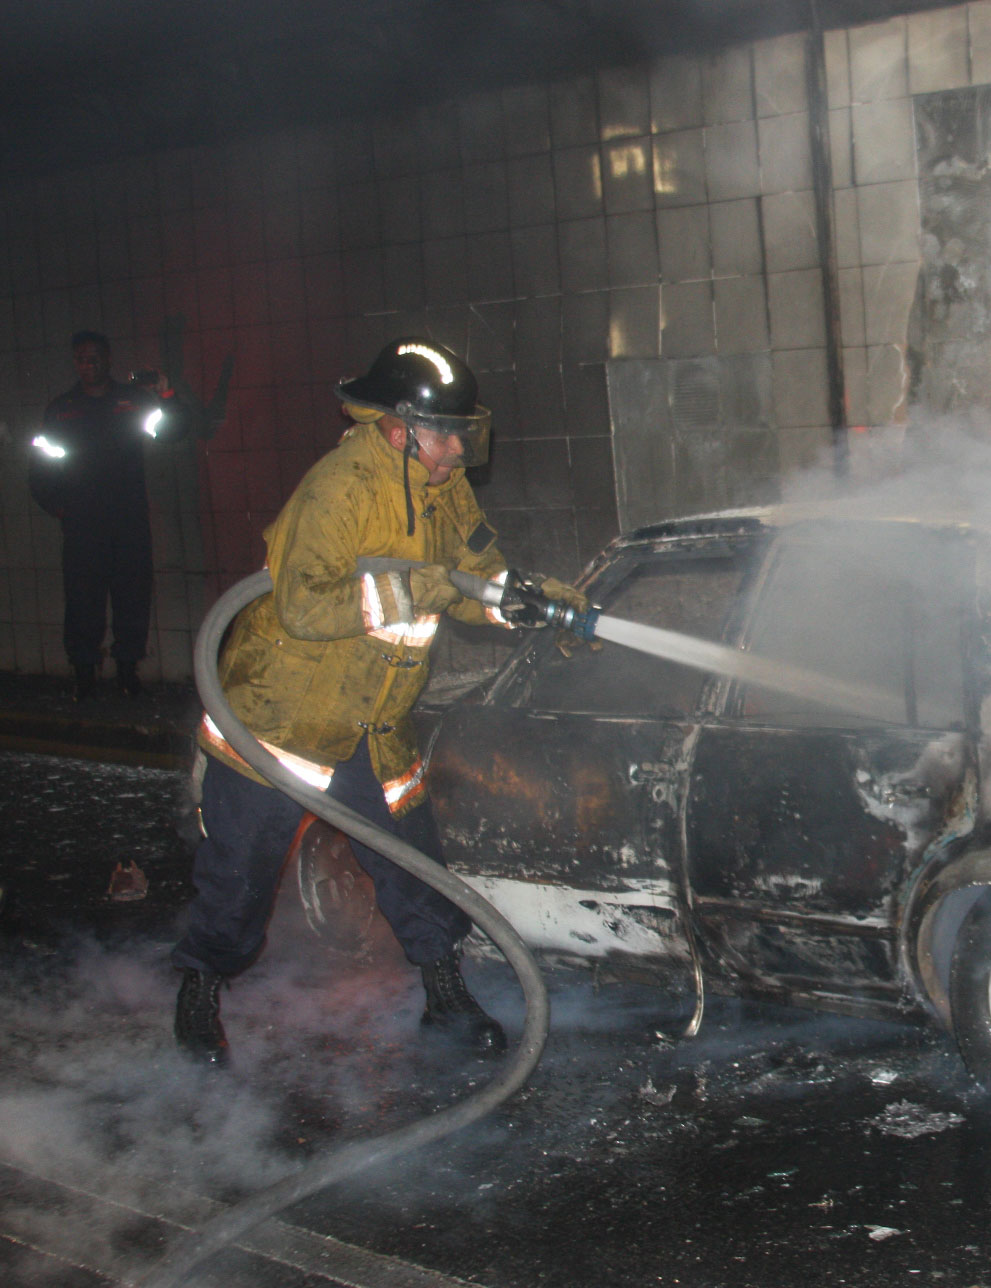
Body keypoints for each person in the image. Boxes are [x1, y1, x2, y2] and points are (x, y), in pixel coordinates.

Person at [172, 337, 588, 1066]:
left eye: (465, 431)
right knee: (240, 876)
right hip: (283, 721)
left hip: (374, 719)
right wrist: (416, 585)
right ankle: (200, 990)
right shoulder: (337, 490)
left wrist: (525, 601)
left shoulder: (442, 489)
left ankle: (444, 994)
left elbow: (474, 574)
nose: (460, 448)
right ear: (399, 431)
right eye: (448, 433)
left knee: (412, 860)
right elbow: (303, 605)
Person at [28, 331, 180, 699]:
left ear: (108, 360)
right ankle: (84, 673)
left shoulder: (131, 401)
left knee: (132, 595)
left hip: (128, 520)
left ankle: (128, 671)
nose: (88, 364)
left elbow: (174, 432)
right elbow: (41, 466)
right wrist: (60, 507)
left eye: (94, 357)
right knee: (83, 599)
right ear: (75, 362)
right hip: (82, 524)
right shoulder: (62, 408)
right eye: (81, 358)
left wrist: (166, 395)